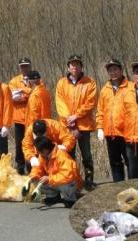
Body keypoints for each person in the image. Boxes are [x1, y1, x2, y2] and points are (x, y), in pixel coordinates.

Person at [55, 54, 96, 189]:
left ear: (81, 66)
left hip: (84, 126)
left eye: (77, 64)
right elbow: (60, 103)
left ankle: (89, 180)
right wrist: (69, 120)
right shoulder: (61, 83)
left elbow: (90, 103)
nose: (75, 67)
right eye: (72, 64)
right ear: (68, 67)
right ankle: (72, 180)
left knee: (86, 155)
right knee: (69, 155)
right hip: (67, 127)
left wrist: (76, 116)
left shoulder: (89, 82)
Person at [96, 59, 130, 182]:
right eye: (110, 70)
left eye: (115, 69)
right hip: (110, 133)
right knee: (115, 162)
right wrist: (100, 128)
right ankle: (118, 186)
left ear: (121, 70)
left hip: (126, 133)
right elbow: (100, 110)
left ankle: (133, 186)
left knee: (130, 161)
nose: (113, 72)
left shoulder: (130, 87)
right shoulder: (105, 89)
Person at [29, 136, 81, 208]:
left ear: (45, 150)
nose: (38, 153)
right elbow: (37, 168)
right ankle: (53, 197)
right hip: (55, 180)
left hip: (71, 182)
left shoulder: (61, 155)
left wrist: (49, 179)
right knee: (36, 180)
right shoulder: (43, 156)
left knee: (65, 183)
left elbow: (68, 176)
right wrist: (33, 176)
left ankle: (70, 200)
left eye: (39, 151)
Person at [8, 58, 33, 174]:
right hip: (19, 118)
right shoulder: (14, 81)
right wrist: (28, 93)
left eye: (26, 66)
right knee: (19, 144)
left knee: (31, 143)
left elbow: (37, 94)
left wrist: (23, 91)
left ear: (30, 66)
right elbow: (13, 97)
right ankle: (20, 166)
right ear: (19, 67)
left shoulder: (36, 78)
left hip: (33, 118)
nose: (25, 68)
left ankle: (31, 166)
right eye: (22, 66)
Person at [23, 70, 52, 144]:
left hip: (36, 130)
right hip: (44, 127)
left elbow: (33, 115)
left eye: (27, 80)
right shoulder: (45, 91)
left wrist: (32, 130)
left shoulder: (35, 95)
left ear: (30, 81)